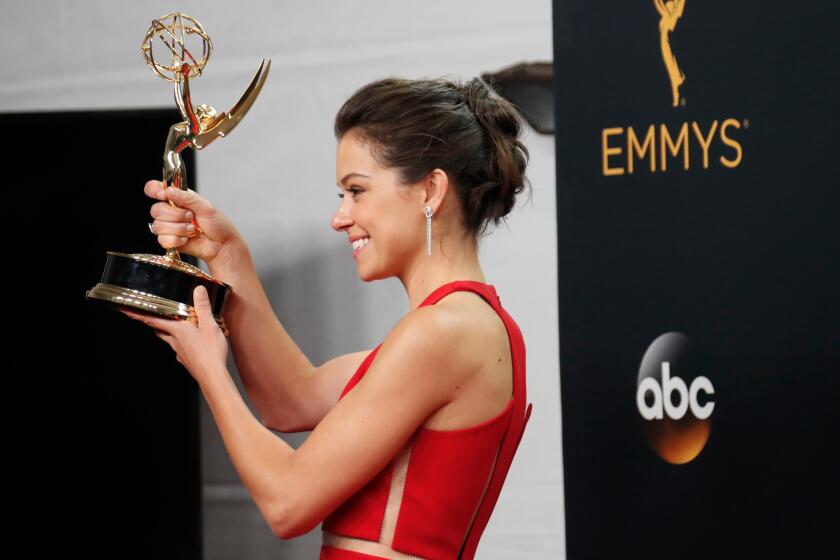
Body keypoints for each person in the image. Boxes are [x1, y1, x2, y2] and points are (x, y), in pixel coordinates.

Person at [120, 76, 534, 559]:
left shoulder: (440, 332)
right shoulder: (470, 324)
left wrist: (209, 368)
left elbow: (287, 502)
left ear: (430, 191)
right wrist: (226, 253)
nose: (340, 217)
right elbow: (290, 400)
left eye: (356, 191)